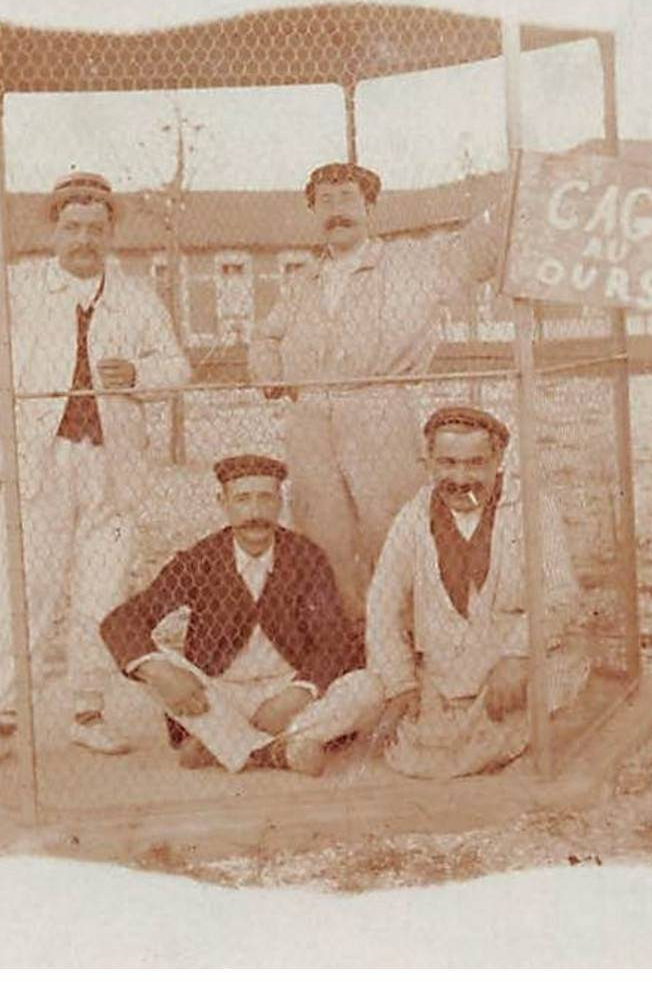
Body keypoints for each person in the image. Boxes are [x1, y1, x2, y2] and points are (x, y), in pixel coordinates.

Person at [0, 171, 190, 766]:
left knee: (101, 593)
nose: (84, 240)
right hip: (40, 464)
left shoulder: (136, 296)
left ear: (110, 233)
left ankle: (87, 711)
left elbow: (178, 366)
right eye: (72, 227)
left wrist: (141, 377)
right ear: (54, 230)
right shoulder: (19, 287)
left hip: (111, 467)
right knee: (22, 589)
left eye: (96, 229)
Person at [248, 161, 504, 621]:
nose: (336, 211)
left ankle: (407, 637)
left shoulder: (409, 264)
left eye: (347, 198)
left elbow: (473, 251)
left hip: (379, 410)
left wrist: (514, 205)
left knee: (390, 530)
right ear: (312, 211)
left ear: (369, 206)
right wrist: (269, 370)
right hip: (310, 419)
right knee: (322, 538)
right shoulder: (303, 281)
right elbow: (266, 335)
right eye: (325, 202)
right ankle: (346, 643)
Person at [99, 454, 379, 775]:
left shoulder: (305, 557)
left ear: (279, 502)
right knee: (149, 662)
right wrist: (160, 671)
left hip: (286, 689)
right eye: (243, 499)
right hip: (220, 693)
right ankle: (282, 750)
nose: (255, 512)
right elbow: (121, 620)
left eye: (265, 498)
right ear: (223, 503)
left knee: (367, 687)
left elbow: (333, 641)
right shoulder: (201, 559)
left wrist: (300, 692)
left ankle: (225, 745)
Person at [356, 405, 589, 779]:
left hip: (517, 664)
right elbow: (383, 603)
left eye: (475, 463)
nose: (461, 478)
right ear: (429, 461)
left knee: (542, 692)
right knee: (421, 749)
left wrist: (516, 656)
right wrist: (400, 683)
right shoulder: (413, 516)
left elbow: (561, 594)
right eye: (447, 463)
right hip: (447, 670)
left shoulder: (532, 508)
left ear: (498, 460)